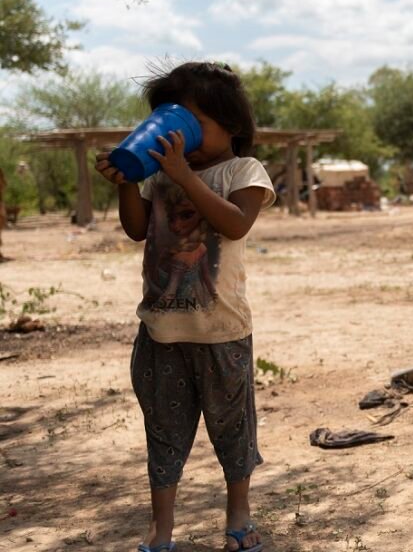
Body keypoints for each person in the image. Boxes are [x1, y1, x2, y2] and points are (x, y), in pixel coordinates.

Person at [94, 61, 274, 552]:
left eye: (192, 123)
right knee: (164, 432)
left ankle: (238, 516)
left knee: (232, 430)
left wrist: (181, 174)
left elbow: (235, 224)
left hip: (221, 331)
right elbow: (136, 230)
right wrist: (127, 181)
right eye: (170, 120)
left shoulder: (244, 171)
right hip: (161, 332)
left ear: (231, 125)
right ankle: (161, 530)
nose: (180, 136)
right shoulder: (159, 176)